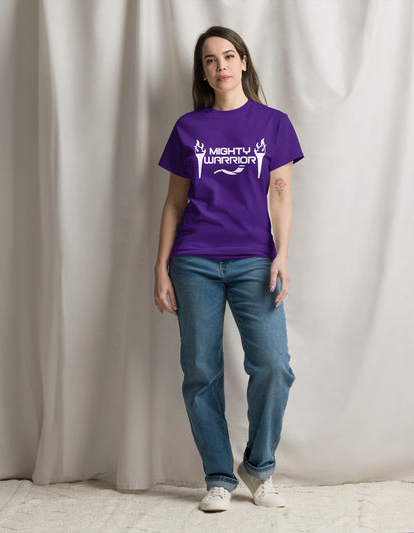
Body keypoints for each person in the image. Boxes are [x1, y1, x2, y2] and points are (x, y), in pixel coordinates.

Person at [154, 25, 304, 512]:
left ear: (243, 62)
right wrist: (161, 268)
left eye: (228, 56)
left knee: (274, 367)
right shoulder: (189, 128)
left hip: (254, 260)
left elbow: (281, 195)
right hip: (193, 261)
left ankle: (258, 468)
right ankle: (218, 476)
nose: (220, 66)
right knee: (200, 370)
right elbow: (174, 204)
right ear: (203, 72)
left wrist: (282, 254)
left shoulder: (273, 124)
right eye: (210, 60)